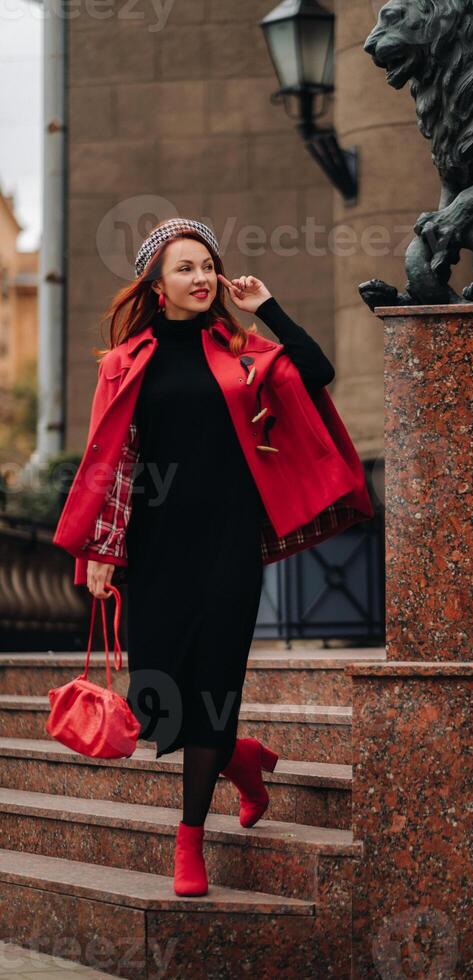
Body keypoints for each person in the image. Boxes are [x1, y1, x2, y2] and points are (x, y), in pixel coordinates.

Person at [53, 217, 373, 897]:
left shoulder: (243, 349)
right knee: (156, 702)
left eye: (207, 266)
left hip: (228, 544)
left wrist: (269, 309)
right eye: (185, 268)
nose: (201, 278)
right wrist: (100, 551)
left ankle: (190, 839)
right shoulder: (125, 364)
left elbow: (319, 370)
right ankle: (244, 759)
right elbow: (111, 461)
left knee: (214, 686)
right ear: (157, 285)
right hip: (155, 549)